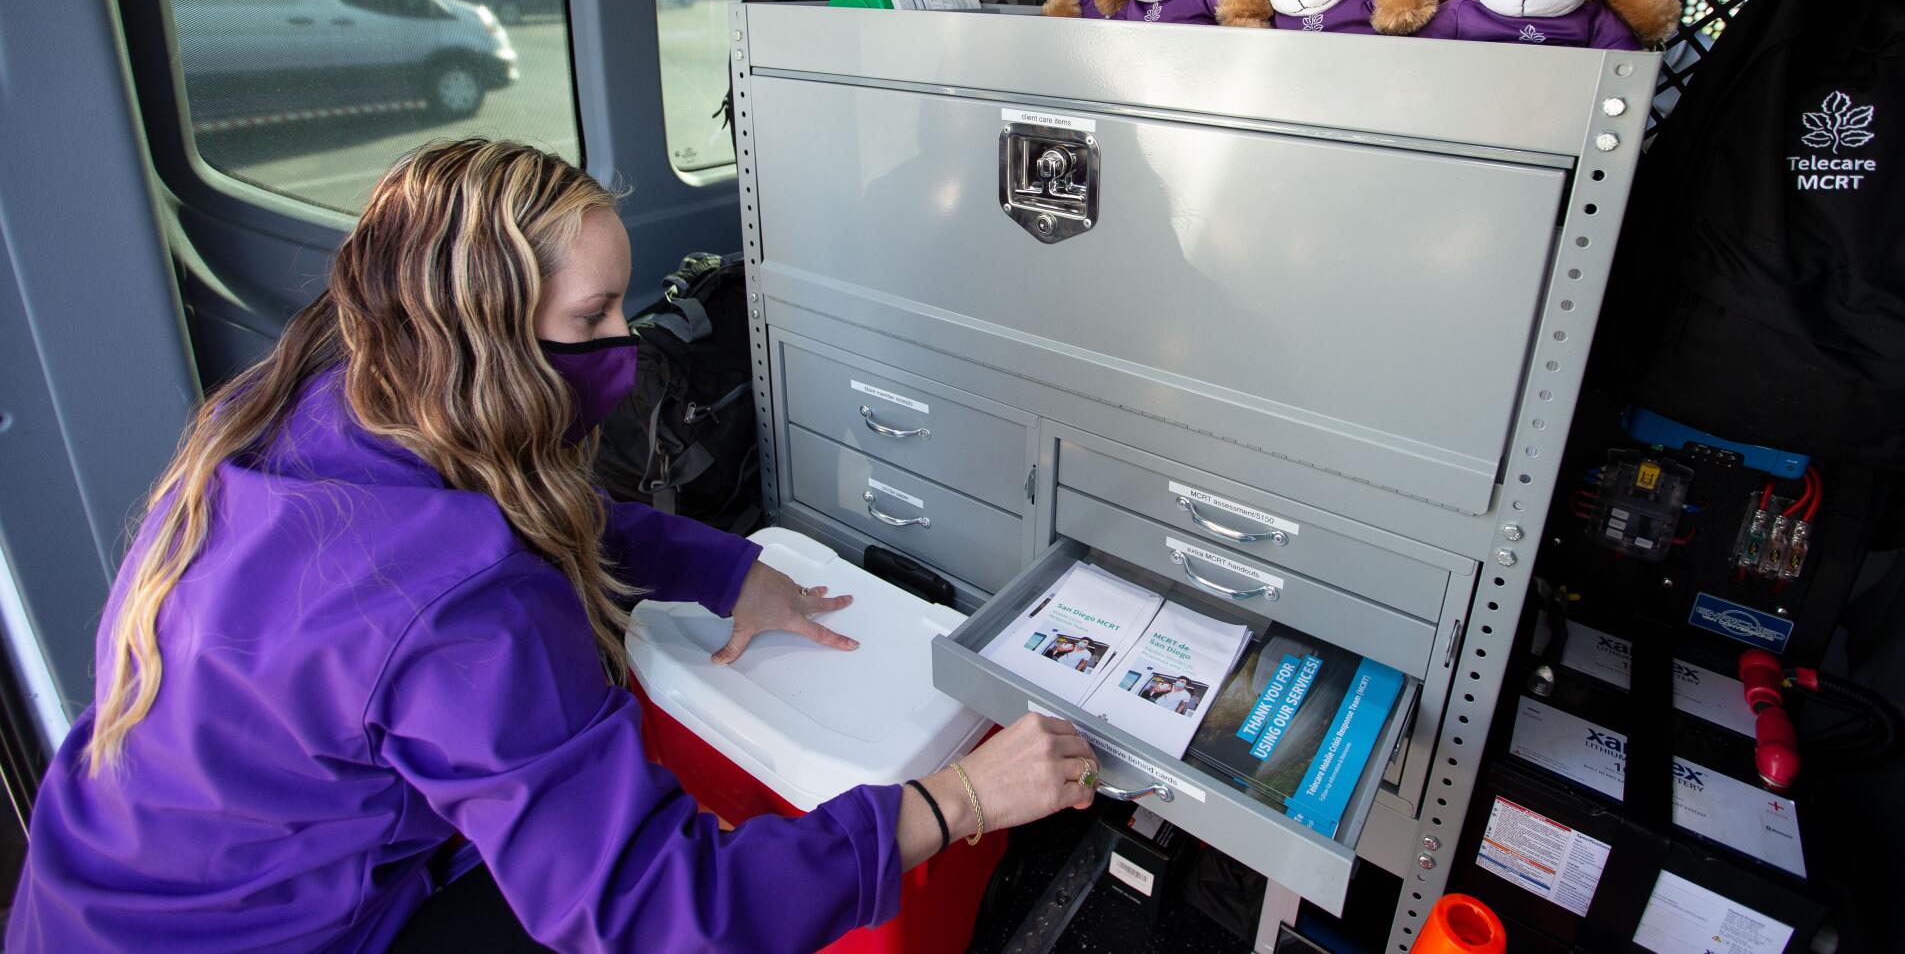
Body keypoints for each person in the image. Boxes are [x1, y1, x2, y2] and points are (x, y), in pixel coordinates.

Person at [7, 140, 1099, 953]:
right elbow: (654, 910)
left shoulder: (315, 405)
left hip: (86, 899)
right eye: (591, 319)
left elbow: (511, 519)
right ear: (478, 336)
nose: (624, 344)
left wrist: (727, 568)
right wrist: (960, 799)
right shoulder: (465, 609)